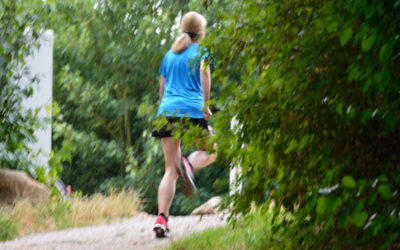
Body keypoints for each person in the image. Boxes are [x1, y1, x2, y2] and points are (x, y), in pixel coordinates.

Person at [151, 11, 217, 238]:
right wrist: (205, 105)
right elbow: (204, 74)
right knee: (212, 151)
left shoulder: (169, 55)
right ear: (201, 33)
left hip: (167, 111)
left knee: (170, 169)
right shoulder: (202, 51)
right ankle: (188, 165)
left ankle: (161, 218)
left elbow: (162, 89)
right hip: (191, 108)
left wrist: (166, 108)